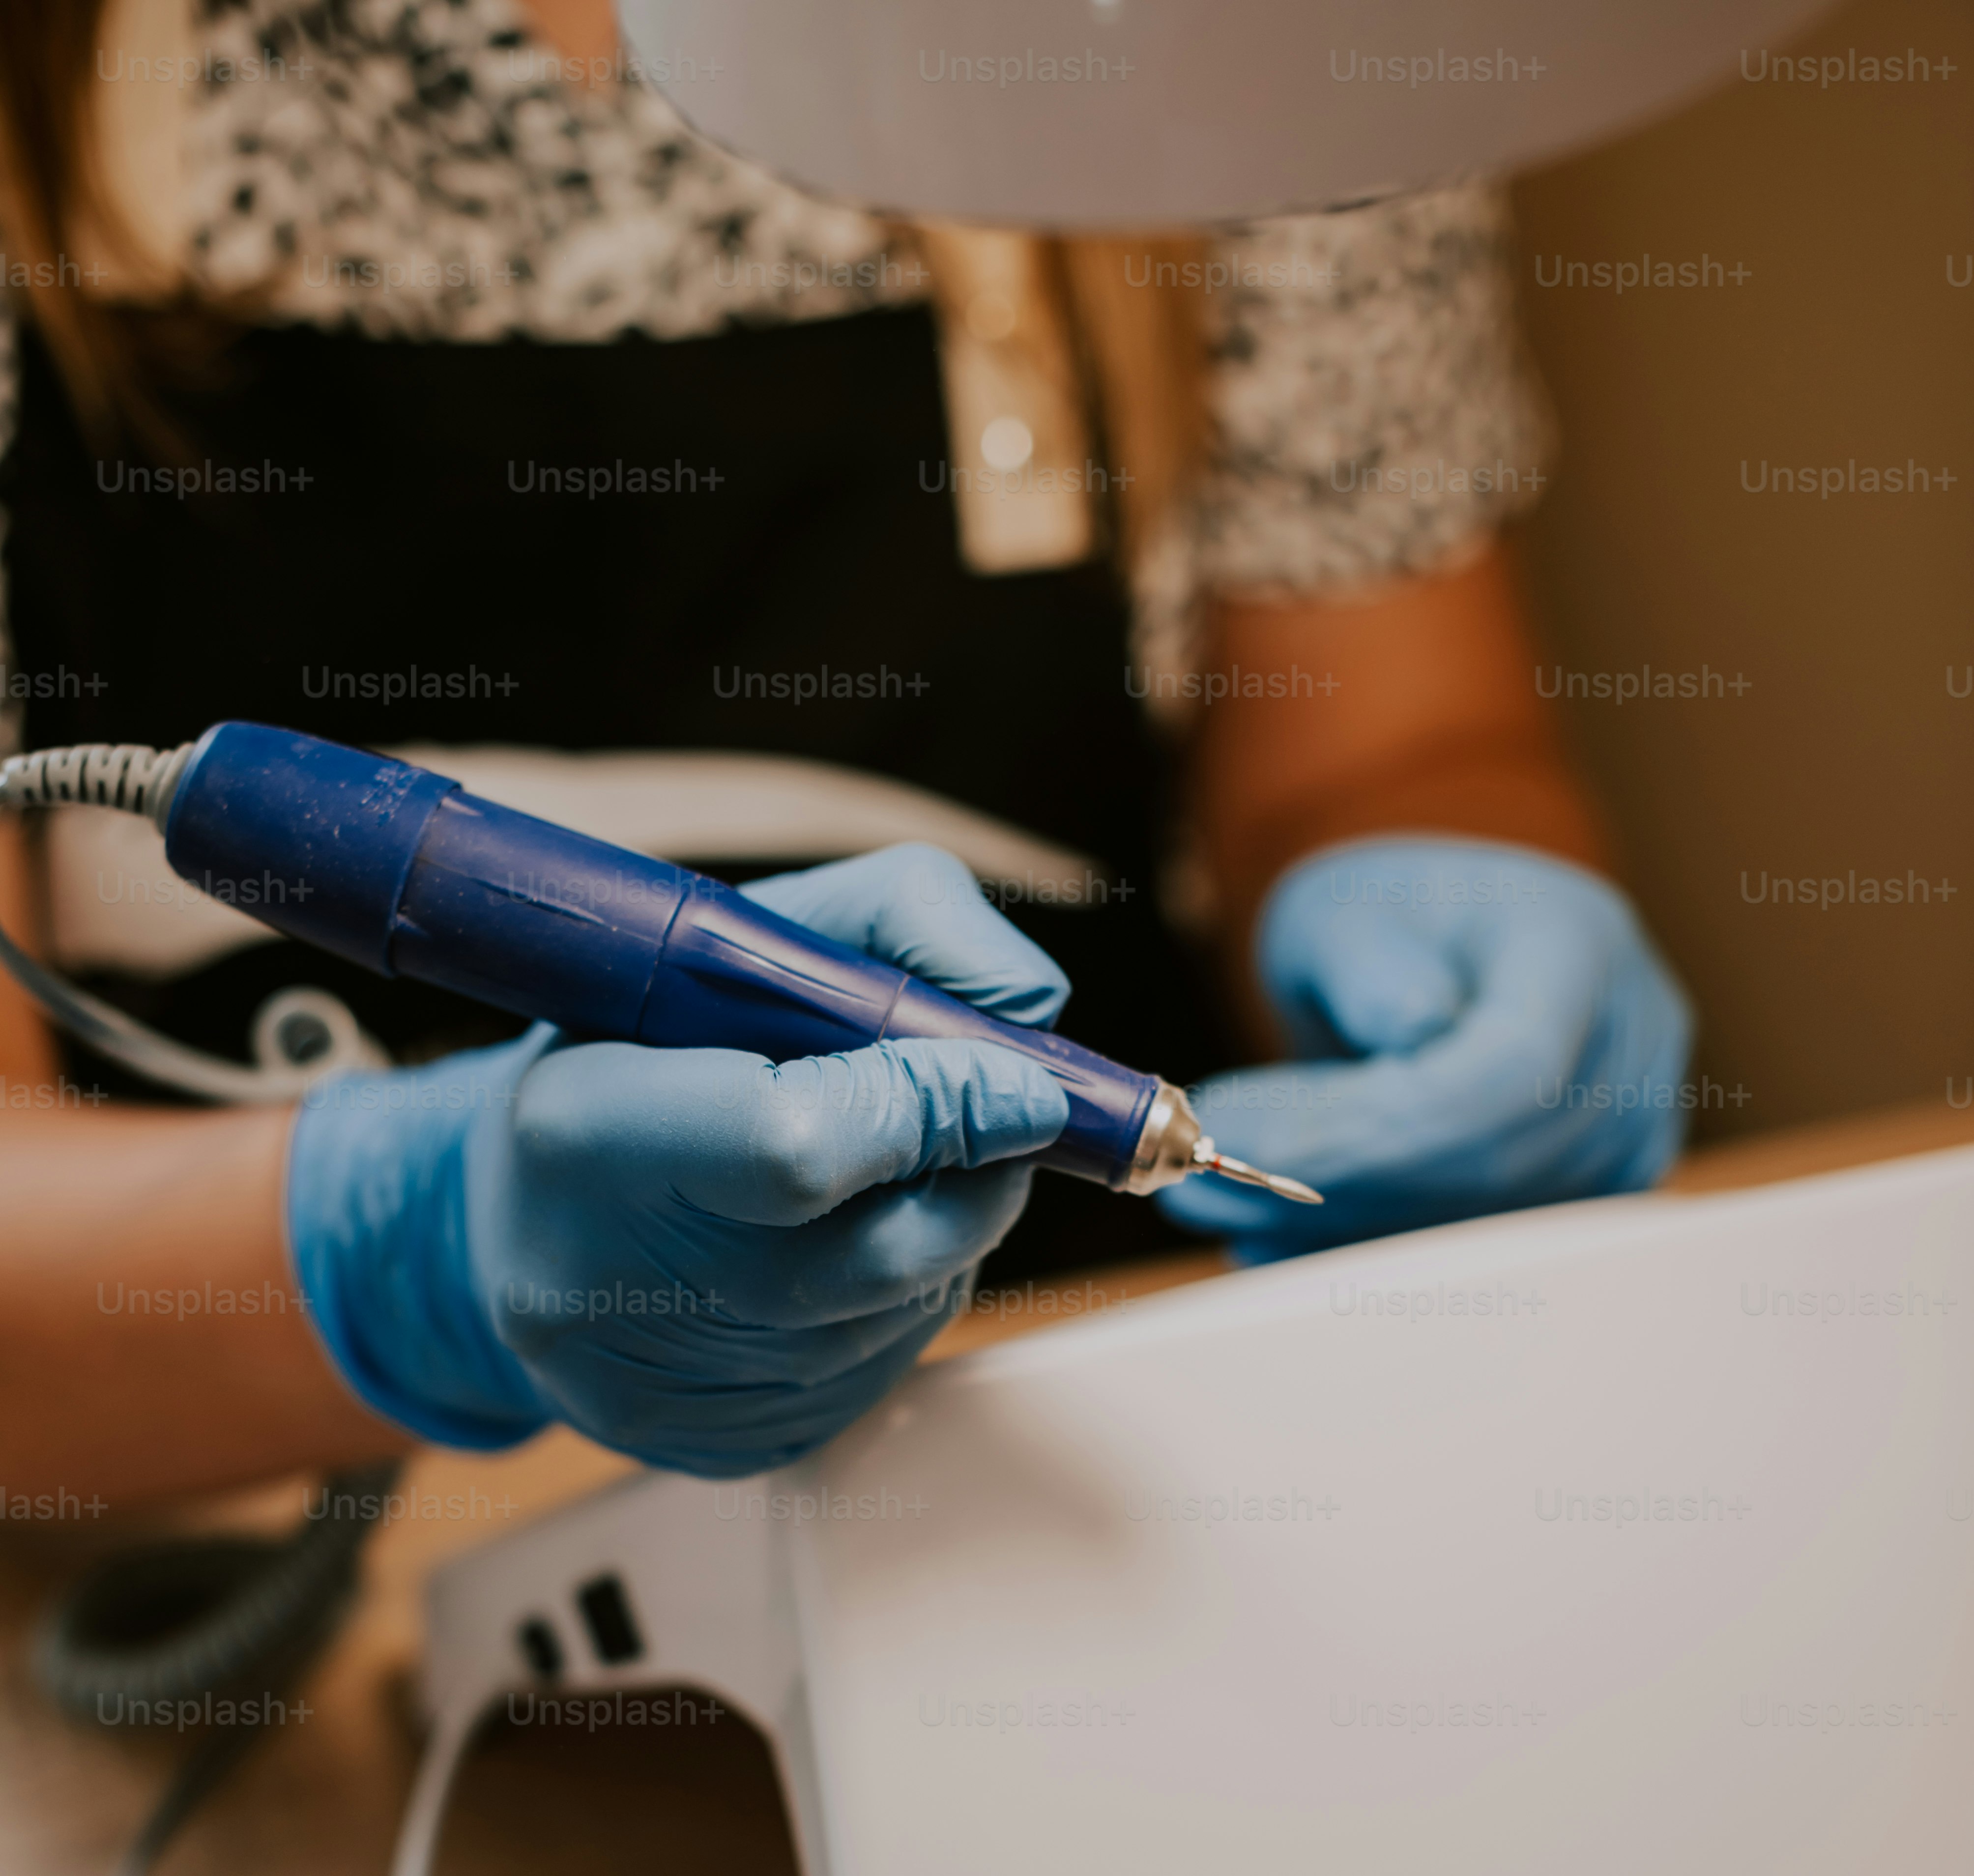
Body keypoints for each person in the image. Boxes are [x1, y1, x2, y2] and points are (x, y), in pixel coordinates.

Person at [0, 0, 1689, 1505]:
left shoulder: (1254, 44)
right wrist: (413, 1249)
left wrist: (1448, 913)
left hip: (1054, 1466)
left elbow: (1391, 747)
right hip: (256, 1520)